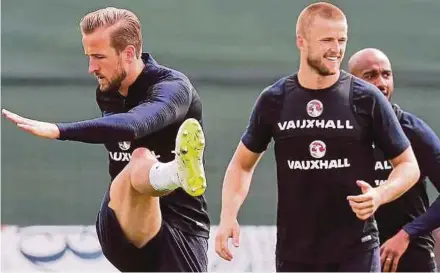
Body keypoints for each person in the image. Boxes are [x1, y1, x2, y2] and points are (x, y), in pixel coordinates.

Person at [215, 2, 420, 272]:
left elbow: (409, 166)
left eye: (341, 40)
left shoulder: (365, 98)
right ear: (301, 41)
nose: (336, 49)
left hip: (356, 251)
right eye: (327, 40)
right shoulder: (275, 100)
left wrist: (380, 194)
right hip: (295, 255)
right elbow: (242, 165)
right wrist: (228, 216)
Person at [2, 7, 210, 272]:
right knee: (139, 159)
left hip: (181, 227)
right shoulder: (108, 89)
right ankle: (175, 172)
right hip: (119, 216)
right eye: (89, 57)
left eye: (99, 57)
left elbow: (134, 124)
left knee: (140, 157)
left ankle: (175, 174)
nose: (91, 68)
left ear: (129, 53)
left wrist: (59, 130)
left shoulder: (173, 88)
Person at [348, 48, 440, 272]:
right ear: (351, 83)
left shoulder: (412, 130)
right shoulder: (340, 132)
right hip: (351, 256)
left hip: (409, 255)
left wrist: (407, 234)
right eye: (370, 76)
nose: (381, 83)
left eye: (386, 75)